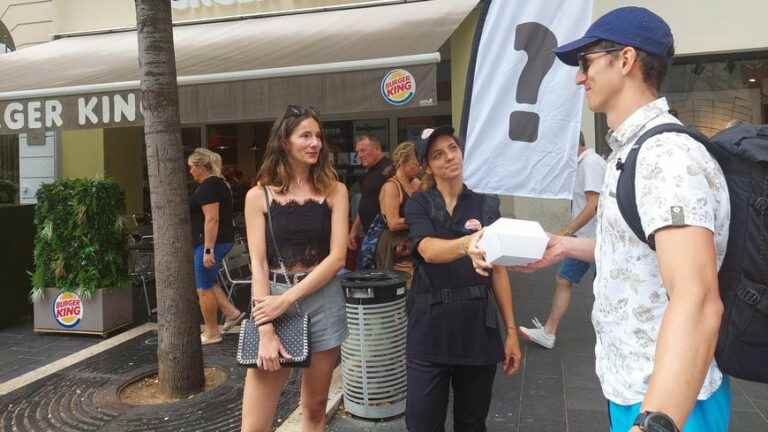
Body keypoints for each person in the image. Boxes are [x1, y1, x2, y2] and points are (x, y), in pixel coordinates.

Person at [471, 7, 731, 432]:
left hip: (672, 401)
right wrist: (565, 246)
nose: (578, 77)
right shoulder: (629, 152)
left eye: (586, 62)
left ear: (625, 60)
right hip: (635, 387)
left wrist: (656, 422)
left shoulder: (666, 157)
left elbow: (698, 299)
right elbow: (642, 250)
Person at [404, 126, 522, 432]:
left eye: (452, 149)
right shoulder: (419, 204)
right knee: (421, 423)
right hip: (429, 330)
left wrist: (511, 331)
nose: (448, 158)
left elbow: (499, 269)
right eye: (437, 155)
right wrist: (466, 245)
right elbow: (427, 249)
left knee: (472, 423)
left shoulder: (485, 203)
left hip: (477, 330)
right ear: (428, 166)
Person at [241, 105, 349, 432]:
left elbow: (337, 258)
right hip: (270, 299)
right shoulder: (258, 196)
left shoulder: (335, 190)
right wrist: (265, 329)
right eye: (305, 135)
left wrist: (287, 300)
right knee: (255, 425)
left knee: (314, 410)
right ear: (285, 142)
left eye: (318, 136)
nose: (314, 143)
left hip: (323, 301)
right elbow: (258, 264)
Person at [519, 132, 606, 349]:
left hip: (594, 238)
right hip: (586, 237)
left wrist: (567, 231)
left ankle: (612, 336)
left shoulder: (591, 163)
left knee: (602, 288)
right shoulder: (585, 164)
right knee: (564, 279)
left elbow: (593, 205)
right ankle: (549, 332)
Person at [188, 148, 245, 345]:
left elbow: (212, 219)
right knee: (209, 281)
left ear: (200, 167)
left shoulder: (208, 186)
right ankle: (232, 312)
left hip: (210, 243)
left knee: (203, 288)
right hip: (218, 241)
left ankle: (212, 332)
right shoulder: (219, 183)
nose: (190, 172)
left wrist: (208, 249)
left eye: (191, 167)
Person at [376, 141, 421, 282]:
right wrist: (420, 220)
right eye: (415, 163)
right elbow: (393, 223)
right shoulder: (391, 186)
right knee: (401, 284)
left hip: (414, 242)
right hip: (395, 245)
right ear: (403, 162)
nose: (419, 167)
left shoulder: (417, 183)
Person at [347, 135, 393, 253]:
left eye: (363, 150)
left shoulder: (390, 170)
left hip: (385, 237)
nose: (360, 155)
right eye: (358, 152)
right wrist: (353, 231)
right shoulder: (369, 172)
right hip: (369, 235)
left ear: (377, 149)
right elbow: (365, 202)